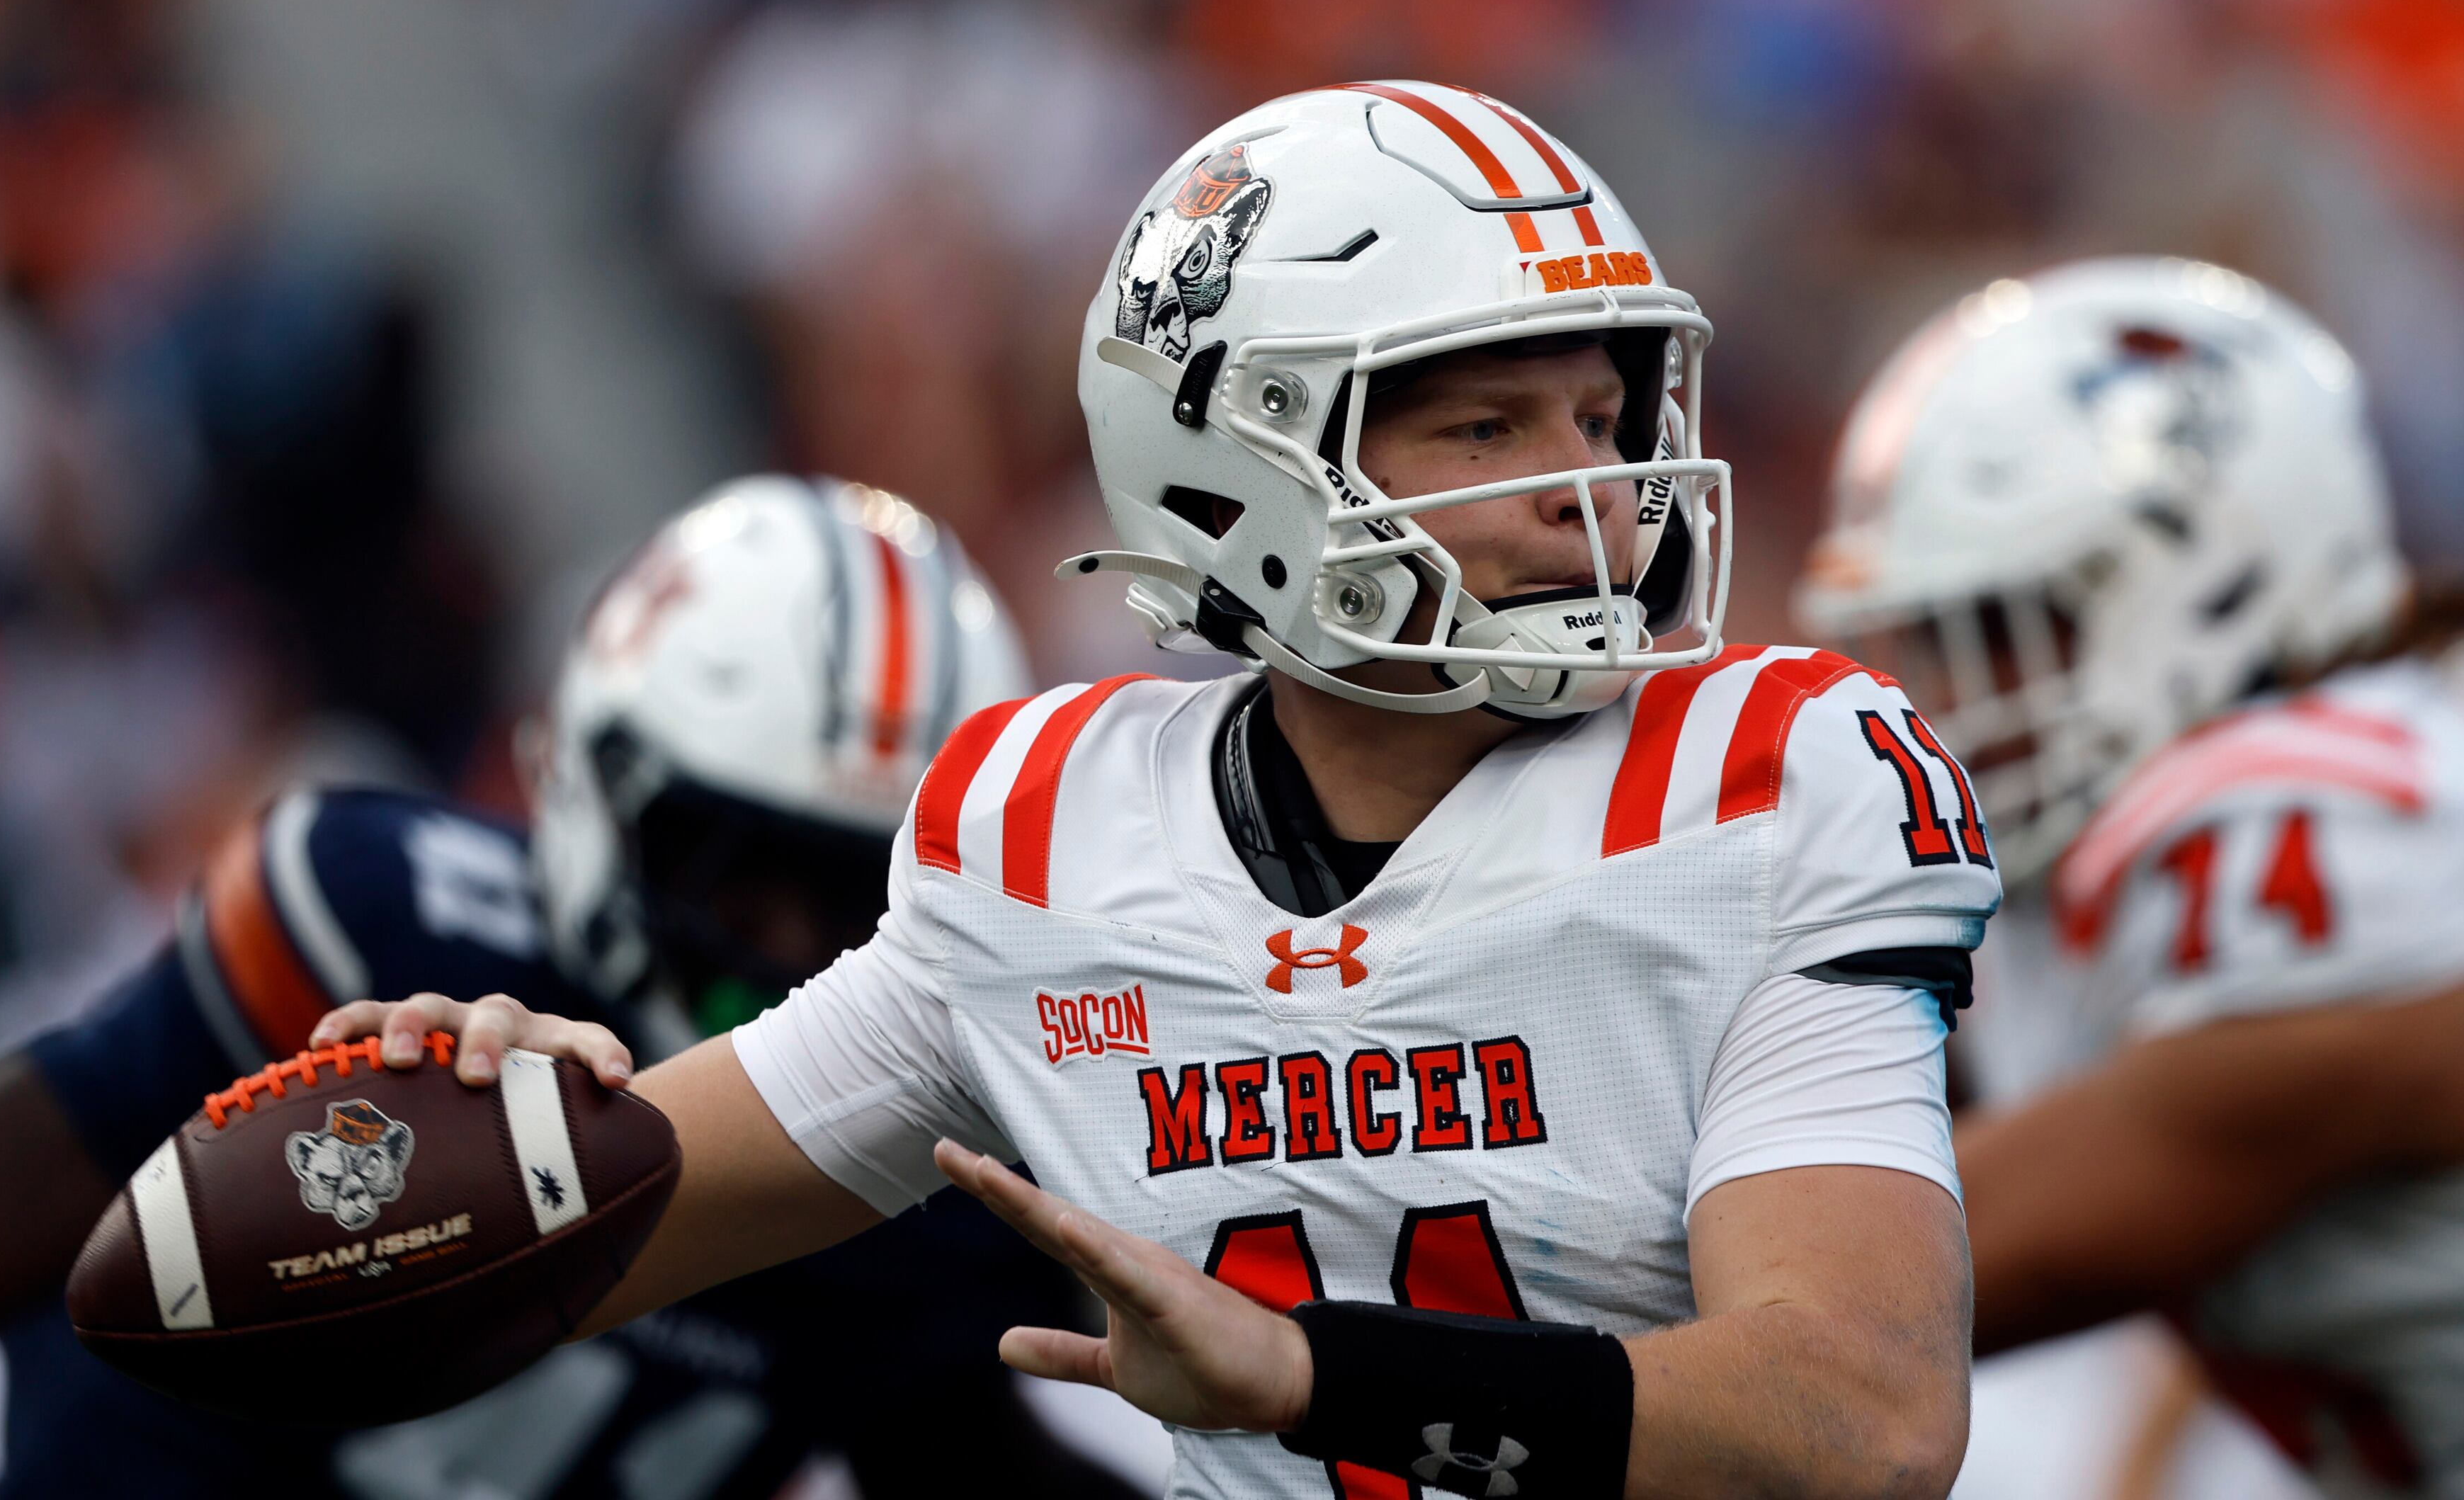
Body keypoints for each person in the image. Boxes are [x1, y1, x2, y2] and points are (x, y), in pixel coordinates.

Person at [321, 82, 2000, 1500]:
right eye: (1488, 429)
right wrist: (498, 1132)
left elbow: (1861, 1420)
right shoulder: (1055, 837)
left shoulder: (1766, 780)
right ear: (1237, 468)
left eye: (1602, 415)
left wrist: (1309, 1377)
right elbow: (583, 1230)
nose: (1596, 493)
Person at [0, 474, 1152, 1500]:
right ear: (597, 792)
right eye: (742, 879)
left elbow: (961, 1452)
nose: (787, 950)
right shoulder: (384, 934)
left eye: (858, 895)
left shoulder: (924, 1194)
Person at [1798, 256, 2464, 1499]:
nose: (1950, 699)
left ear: (2209, 583)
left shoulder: (2335, 843)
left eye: (1998, 631)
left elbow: (1858, 1298)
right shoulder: (2436, 719)